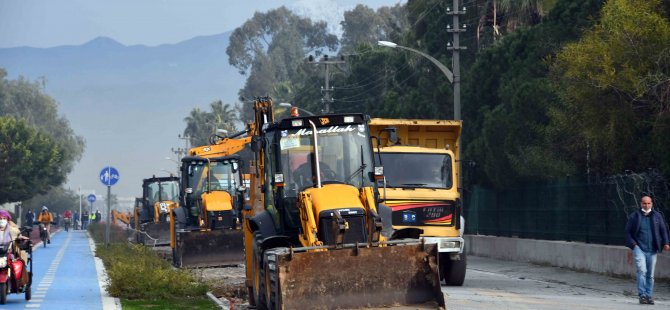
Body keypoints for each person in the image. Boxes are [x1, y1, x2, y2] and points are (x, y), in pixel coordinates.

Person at [625, 195, 670, 305]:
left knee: (650, 274)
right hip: (639, 248)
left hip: (653, 249)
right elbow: (628, 232)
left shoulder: (657, 216)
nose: (646, 205)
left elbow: (663, 230)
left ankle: (649, 295)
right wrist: (634, 245)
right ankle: (642, 295)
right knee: (642, 271)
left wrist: (666, 243)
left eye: (648, 203)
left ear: (652, 204)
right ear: (641, 204)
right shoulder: (635, 216)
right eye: (644, 203)